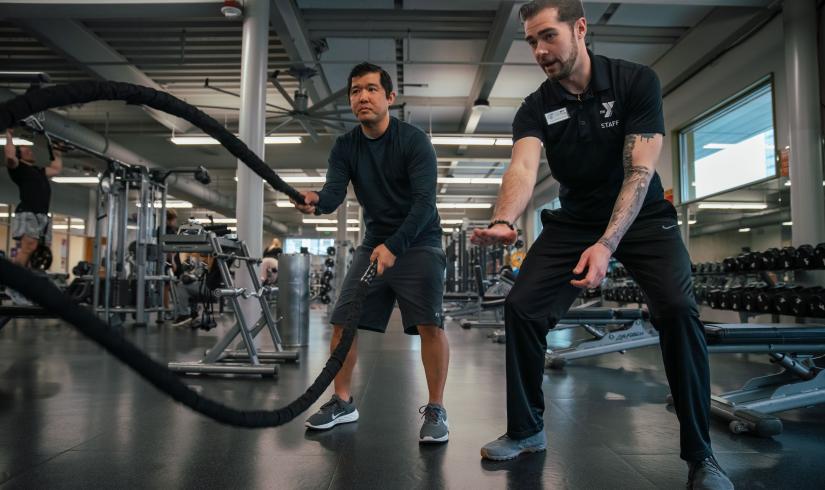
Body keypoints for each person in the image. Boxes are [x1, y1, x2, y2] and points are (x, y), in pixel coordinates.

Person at [470, 2, 733, 489]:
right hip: (575, 220)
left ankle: (702, 455)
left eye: (548, 36)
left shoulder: (636, 82)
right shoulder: (536, 105)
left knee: (677, 309)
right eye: (531, 41)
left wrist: (608, 245)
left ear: (580, 28)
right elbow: (524, 168)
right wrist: (504, 219)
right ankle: (527, 430)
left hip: (643, 216)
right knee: (523, 306)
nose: (540, 50)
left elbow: (639, 171)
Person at [291, 62, 449, 443]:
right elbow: (333, 192)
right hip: (374, 242)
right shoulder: (346, 146)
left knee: (430, 324)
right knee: (344, 321)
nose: (362, 96)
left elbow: (425, 203)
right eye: (355, 90)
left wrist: (395, 246)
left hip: (420, 240)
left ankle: (437, 409)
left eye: (372, 89)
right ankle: (343, 401)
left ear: (390, 97)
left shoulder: (413, 141)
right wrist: (315, 201)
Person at [3, 128, 62, 305]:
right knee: (28, 247)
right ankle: (12, 286)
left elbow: (57, 167)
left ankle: (29, 288)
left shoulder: (39, 171)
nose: (30, 150)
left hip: (42, 215)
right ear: (20, 155)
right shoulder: (17, 168)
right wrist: (9, 137)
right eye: (26, 149)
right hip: (28, 212)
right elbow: (9, 156)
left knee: (39, 253)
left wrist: (55, 149)